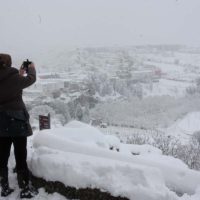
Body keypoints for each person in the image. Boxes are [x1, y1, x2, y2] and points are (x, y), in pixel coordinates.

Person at [0, 53, 36, 198]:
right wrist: (31, 68)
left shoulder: (13, 78)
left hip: (0, 122)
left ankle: (4, 188)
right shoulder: (15, 78)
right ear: (9, 63)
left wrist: (19, 75)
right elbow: (31, 79)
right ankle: (25, 189)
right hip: (17, 121)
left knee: (2, 156)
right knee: (20, 154)